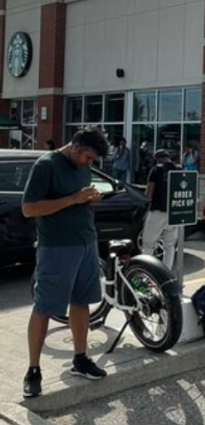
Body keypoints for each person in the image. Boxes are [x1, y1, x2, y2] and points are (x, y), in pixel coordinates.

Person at [21, 128, 111, 398]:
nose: (89, 163)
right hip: (57, 247)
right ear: (75, 146)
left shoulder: (81, 164)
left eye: (93, 160)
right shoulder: (46, 165)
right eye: (88, 157)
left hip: (86, 241)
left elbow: (78, 195)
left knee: (82, 301)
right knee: (45, 306)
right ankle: (33, 370)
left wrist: (90, 196)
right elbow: (29, 208)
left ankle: (80, 359)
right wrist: (73, 199)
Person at [141, 150, 179, 269]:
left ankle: (145, 272)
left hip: (158, 211)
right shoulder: (179, 169)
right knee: (169, 245)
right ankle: (166, 273)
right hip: (174, 213)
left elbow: (149, 194)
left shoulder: (156, 170)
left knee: (148, 244)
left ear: (157, 159)